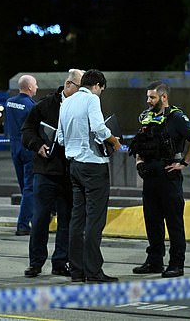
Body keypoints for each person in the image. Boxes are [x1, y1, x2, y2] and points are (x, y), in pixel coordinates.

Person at [129, 81, 190, 278]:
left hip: (169, 175)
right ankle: (154, 261)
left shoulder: (176, 117)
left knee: (174, 222)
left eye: (152, 97)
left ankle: (177, 264)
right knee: (152, 221)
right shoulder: (147, 117)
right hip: (150, 176)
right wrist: (138, 162)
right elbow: (139, 144)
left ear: (164, 97)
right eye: (147, 97)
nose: (148, 101)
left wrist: (184, 163)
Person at [56, 69, 121, 283]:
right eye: (101, 90)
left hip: (73, 165)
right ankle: (93, 271)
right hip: (93, 166)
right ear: (98, 85)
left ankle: (76, 270)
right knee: (95, 219)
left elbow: (60, 138)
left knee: (77, 218)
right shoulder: (92, 100)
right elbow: (99, 128)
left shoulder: (66, 102)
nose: (100, 93)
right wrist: (113, 141)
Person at [20, 69, 84, 278]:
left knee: (66, 220)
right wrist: (37, 145)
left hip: (69, 172)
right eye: (80, 88)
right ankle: (36, 263)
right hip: (46, 171)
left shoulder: (82, 105)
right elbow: (27, 129)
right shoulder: (46, 105)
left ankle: (60, 262)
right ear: (68, 85)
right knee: (40, 218)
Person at [5, 74, 38, 235]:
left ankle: (30, 216)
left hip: (14, 147)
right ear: (30, 87)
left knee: (24, 187)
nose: (37, 87)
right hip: (27, 148)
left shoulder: (9, 102)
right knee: (29, 188)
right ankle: (24, 224)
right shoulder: (31, 105)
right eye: (36, 85)